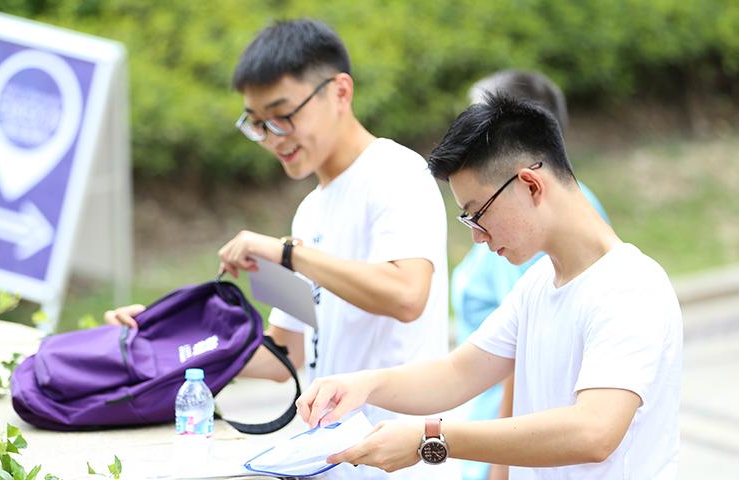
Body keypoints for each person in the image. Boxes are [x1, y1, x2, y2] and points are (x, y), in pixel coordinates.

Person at [107, 18, 455, 480]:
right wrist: (160, 334)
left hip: (401, 464)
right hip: (327, 461)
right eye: (257, 124)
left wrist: (288, 254)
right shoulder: (310, 212)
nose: (272, 137)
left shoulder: (396, 175)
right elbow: (283, 356)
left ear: (340, 92)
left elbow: (408, 296)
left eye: (283, 114)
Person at [296, 93, 682, 479]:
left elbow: (593, 433)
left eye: (478, 214)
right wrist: (363, 385)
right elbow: (457, 374)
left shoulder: (629, 286)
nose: (478, 237)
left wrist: (430, 438)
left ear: (531, 185)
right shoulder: (537, 284)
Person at [451, 70, 610, 480]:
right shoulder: (565, 212)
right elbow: (460, 369)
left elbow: (517, 358)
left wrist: (494, 469)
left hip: (508, 446)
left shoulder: (529, 227)